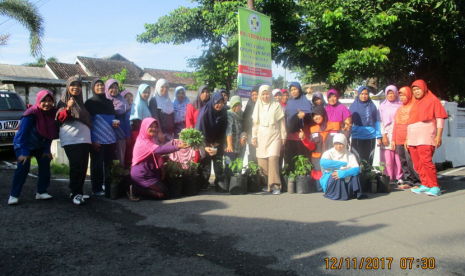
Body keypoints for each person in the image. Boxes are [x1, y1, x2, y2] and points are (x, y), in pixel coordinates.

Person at [8, 90, 58, 205]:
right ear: (38, 101)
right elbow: (23, 135)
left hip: (39, 145)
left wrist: (47, 150)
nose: (47, 103)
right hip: (23, 144)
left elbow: (50, 133)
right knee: (23, 165)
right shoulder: (31, 113)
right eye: (44, 101)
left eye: (50, 101)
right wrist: (25, 153)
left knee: (45, 161)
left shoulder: (52, 113)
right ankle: (14, 195)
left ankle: (41, 191)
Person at [128, 118, 188, 201]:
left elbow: (156, 156)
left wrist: (162, 168)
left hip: (150, 173)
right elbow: (158, 150)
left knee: (168, 188)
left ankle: (140, 188)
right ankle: (136, 190)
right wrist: (178, 147)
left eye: (155, 127)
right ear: (144, 127)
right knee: (164, 194)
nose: (154, 129)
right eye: (151, 126)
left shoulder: (150, 139)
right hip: (142, 175)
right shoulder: (143, 141)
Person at [56, 76, 93, 205]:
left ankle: (78, 192)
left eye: (78, 85)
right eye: (73, 85)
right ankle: (76, 193)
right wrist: (68, 108)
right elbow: (60, 118)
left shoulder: (81, 103)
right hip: (72, 139)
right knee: (76, 165)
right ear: (68, 87)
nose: (76, 88)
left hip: (84, 139)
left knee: (83, 166)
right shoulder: (63, 102)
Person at [408, 80, 448, 196]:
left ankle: (435, 186)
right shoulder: (414, 103)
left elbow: (440, 118)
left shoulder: (433, 100)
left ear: (424, 88)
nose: (416, 92)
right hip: (413, 137)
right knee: (417, 163)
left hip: (425, 136)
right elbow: (410, 121)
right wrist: (407, 138)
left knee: (426, 161)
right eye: (414, 90)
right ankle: (425, 184)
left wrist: (438, 136)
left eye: (418, 89)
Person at [84, 79, 117, 197]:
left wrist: (115, 124)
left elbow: (112, 118)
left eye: (102, 85)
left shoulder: (109, 102)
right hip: (97, 139)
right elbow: (88, 123)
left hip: (111, 138)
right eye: (97, 85)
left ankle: (108, 187)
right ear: (93, 87)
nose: (100, 87)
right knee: (97, 165)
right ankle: (96, 188)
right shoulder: (89, 103)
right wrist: (93, 139)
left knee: (110, 164)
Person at [252, 85, 287, 194]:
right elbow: (255, 124)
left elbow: (282, 122)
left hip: (274, 136)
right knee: (262, 162)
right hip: (261, 136)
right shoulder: (258, 106)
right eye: (263, 94)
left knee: (273, 160)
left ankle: (275, 185)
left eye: (267, 93)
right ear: (260, 95)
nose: (265, 96)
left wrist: (284, 136)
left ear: (270, 94)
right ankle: (266, 184)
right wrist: (254, 136)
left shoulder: (276, 105)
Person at [299, 106, 340, 191]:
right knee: (319, 189)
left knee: (333, 188)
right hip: (318, 165)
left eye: (317, 114)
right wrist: (304, 139)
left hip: (332, 162)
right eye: (314, 116)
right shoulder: (313, 129)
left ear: (323, 114)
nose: (316, 118)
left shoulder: (335, 126)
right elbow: (312, 146)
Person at [349, 86, 381, 191]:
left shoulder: (372, 106)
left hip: (370, 137)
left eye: (366, 94)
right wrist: (347, 136)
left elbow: (377, 122)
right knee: (357, 159)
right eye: (362, 93)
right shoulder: (353, 107)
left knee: (368, 159)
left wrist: (379, 135)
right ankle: (358, 183)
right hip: (357, 137)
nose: (364, 96)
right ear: (358, 94)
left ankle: (367, 183)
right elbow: (348, 123)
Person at [195, 91, 227, 188]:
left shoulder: (223, 112)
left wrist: (217, 143)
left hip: (217, 141)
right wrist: (205, 147)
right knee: (205, 162)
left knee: (218, 161)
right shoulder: (204, 113)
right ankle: (203, 183)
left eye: (221, 102)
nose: (219, 105)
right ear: (213, 101)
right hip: (204, 140)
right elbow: (198, 132)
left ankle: (219, 182)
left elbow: (223, 130)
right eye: (217, 102)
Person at [320, 133, 366, 200]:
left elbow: (356, 169)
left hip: (346, 175)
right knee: (335, 174)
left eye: (341, 144)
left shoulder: (350, 155)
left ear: (345, 144)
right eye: (336, 144)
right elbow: (323, 163)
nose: (338, 146)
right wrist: (342, 164)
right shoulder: (329, 153)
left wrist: (344, 173)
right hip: (331, 178)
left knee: (355, 175)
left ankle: (353, 193)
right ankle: (337, 194)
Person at [392, 87, 421, 189]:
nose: (402, 97)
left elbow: (414, 124)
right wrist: (393, 140)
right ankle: (409, 181)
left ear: (409, 95)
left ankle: (417, 182)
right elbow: (396, 125)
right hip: (399, 138)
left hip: (410, 139)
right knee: (403, 161)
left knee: (411, 160)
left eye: (403, 95)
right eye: (400, 95)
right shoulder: (400, 109)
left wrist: (409, 138)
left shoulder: (414, 107)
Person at [284, 82, 312, 174]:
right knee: (290, 157)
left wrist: (305, 114)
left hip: (301, 135)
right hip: (290, 135)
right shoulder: (289, 102)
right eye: (291, 90)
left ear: (299, 89)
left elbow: (311, 114)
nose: (293, 92)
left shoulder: (306, 102)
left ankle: (302, 176)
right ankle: (290, 177)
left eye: (295, 89)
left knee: (301, 157)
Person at [378, 85, 403, 185]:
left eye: (392, 93)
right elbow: (380, 122)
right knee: (387, 157)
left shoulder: (401, 105)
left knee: (398, 156)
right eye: (388, 93)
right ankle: (388, 177)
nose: (391, 95)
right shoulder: (382, 106)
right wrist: (383, 135)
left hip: (398, 132)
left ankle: (399, 177)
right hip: (387, 134)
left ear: (396, 93)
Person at [105, 79, 131, 168]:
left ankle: (119, 178)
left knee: (120, 157)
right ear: (107, 89)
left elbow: (127, 121)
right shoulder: (103, 101)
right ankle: (109, 179)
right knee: (109, 157)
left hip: (121, 133)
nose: (114, 90)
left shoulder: (123, 101)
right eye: (111, 87)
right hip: (107, 133)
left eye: (116, 88)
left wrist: (128, 136)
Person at [224, 96, 243, 176]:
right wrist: (229, 145)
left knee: (238, 167)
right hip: (230, 145)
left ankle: (237, 186)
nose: (237, 107)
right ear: (232, 105)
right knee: (230, 166)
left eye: (239, 105)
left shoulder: (241, 114)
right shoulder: (229, 114)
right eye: (235, 105)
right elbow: (229, 130)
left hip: (240, 145)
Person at [240, 85, 259, 164]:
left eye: (256, 94)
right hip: (251, 136)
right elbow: (245, 122)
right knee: (252, 155)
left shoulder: (265, 106)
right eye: (252, 95)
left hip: (263, 136)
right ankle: (253, 174)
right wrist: (244, 135)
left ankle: (261, 175)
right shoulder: (249, 107)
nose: (254, 97)